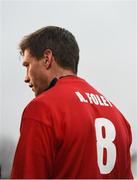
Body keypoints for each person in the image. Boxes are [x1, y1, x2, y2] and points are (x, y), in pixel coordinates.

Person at [11, 26, 133, 179]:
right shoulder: (119, 118)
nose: (26, 78)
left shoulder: (42, 109)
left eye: (27, 65)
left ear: (47, 58)